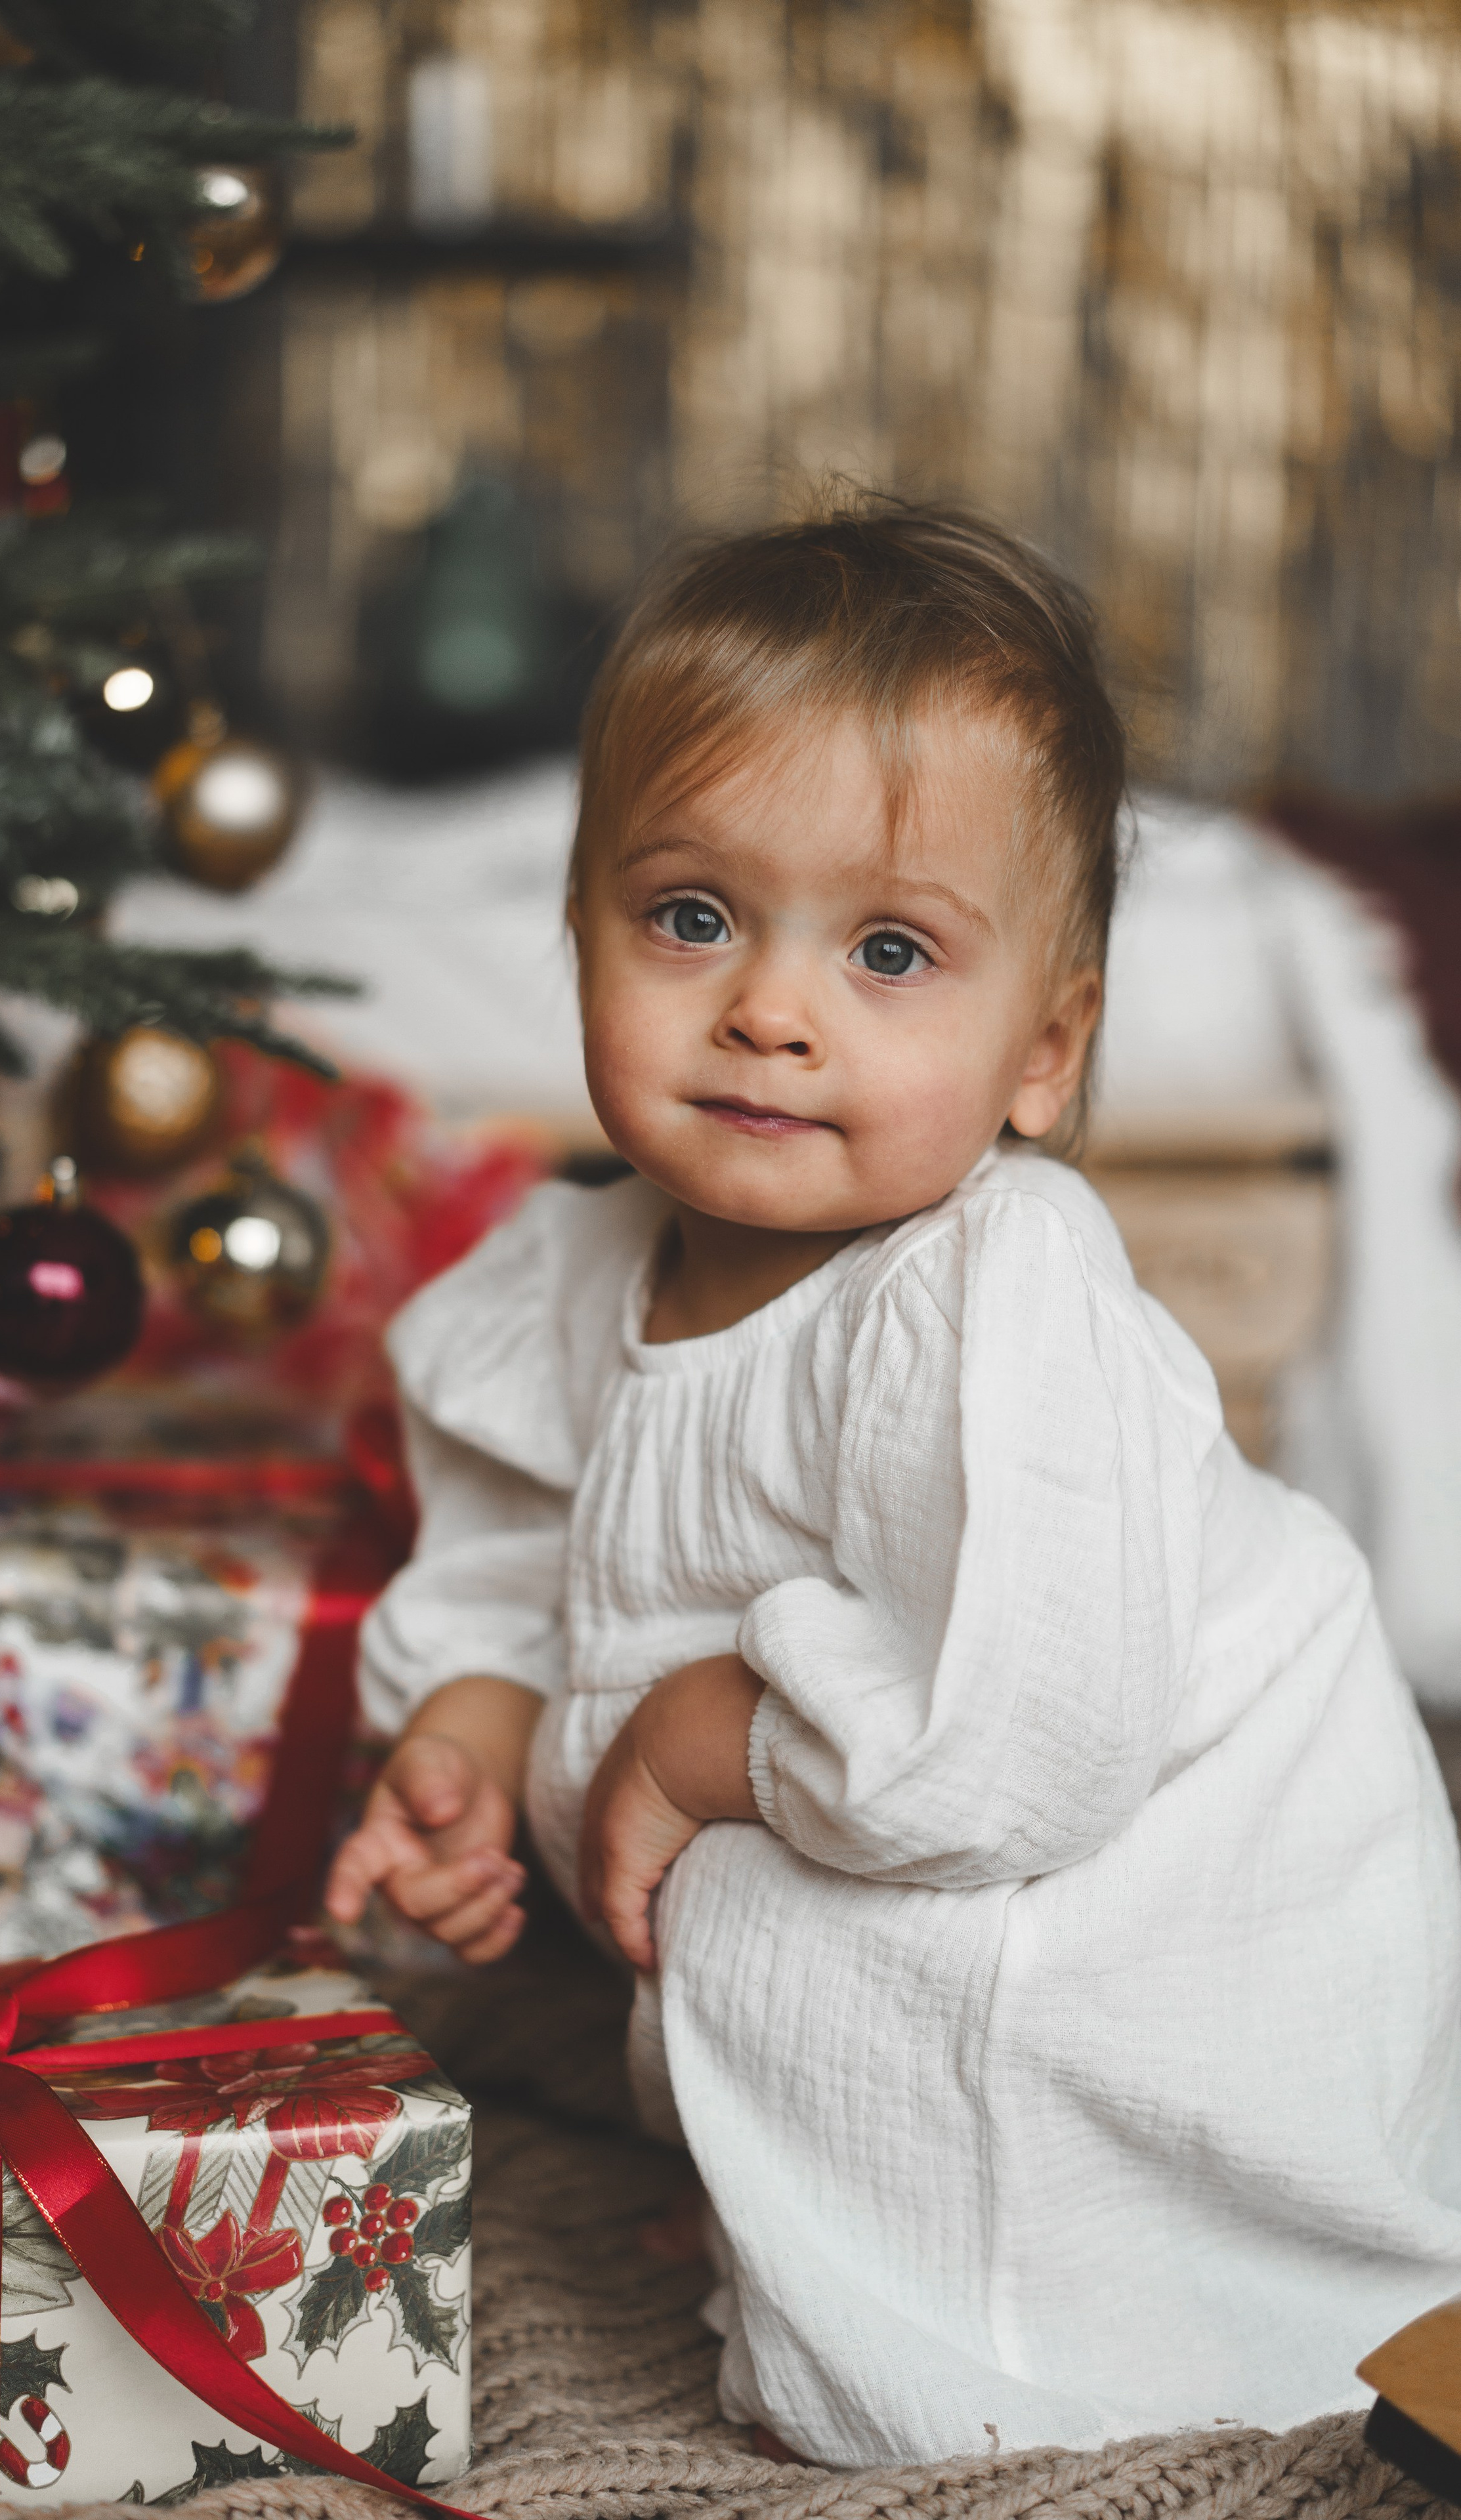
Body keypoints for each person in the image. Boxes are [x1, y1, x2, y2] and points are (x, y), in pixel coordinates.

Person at [326, 499, 1461, 2468]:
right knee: (724, 1928)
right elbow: (524, 1546)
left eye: (888, 950)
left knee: (808, 1998)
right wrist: (469, 1728)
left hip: (1140, 1898)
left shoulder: (994, 1295)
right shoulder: (570, 1271)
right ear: (579, 923)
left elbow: (1031, 1745)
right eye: (690, 917)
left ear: (1047, 1045)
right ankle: (805, 2169)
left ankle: (995, 2293)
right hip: (896, 1814)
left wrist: (705, 1734)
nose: (771, 1008)